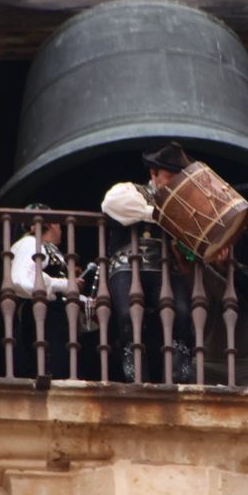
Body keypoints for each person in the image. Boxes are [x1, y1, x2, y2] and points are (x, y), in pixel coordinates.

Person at [99, 143, 197, 383]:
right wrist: (159, 215)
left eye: (178, 179)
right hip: (128, 266)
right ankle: (134, 371)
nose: (174, 183)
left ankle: (178, 372)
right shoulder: (131, 190)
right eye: (169, 177)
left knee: (181, 316)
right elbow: (112, 204)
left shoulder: (185, 205)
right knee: (128, 316)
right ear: (153, 173)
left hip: (167, 268)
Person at [5, 206, 82, 379]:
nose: (61, 228)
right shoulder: (30, 243)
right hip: (42, 320)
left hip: (54, 321)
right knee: (49, 371)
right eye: (58, 224)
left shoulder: (47, 248)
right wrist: (65, 284)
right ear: (51, 224)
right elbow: (22, 279)